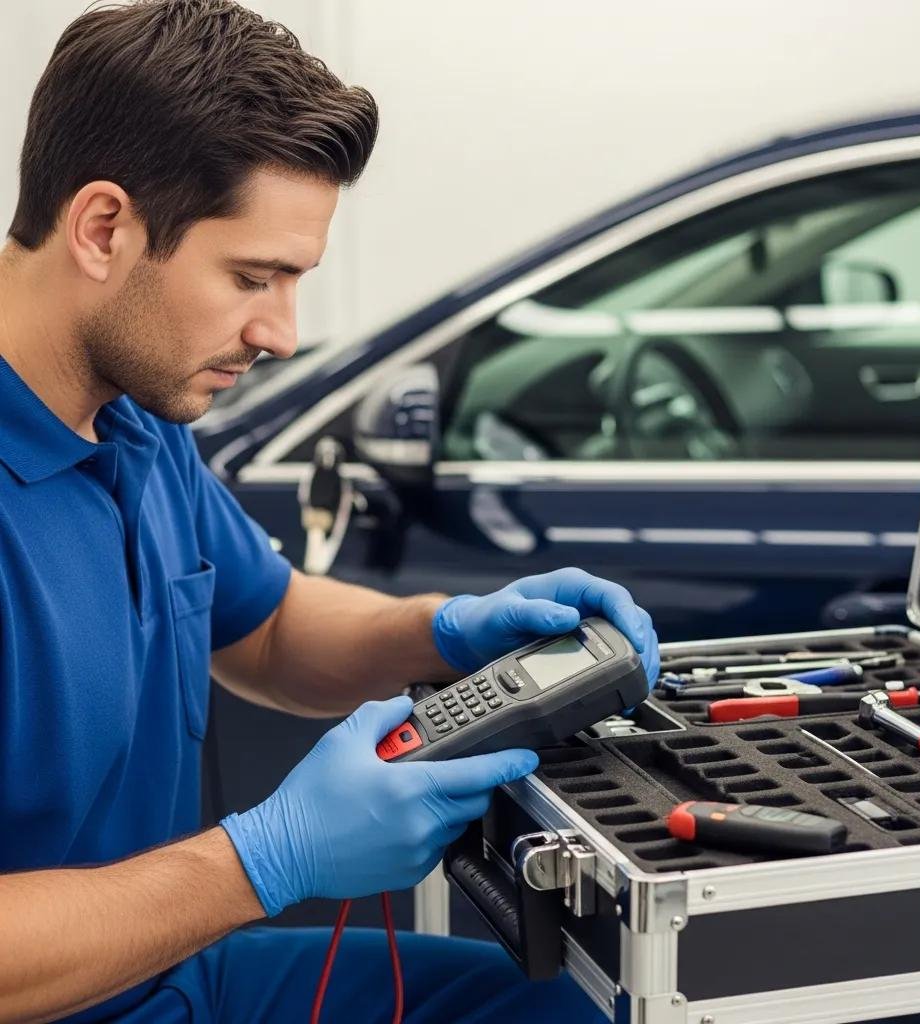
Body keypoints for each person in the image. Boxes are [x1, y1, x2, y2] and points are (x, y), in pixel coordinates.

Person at [0, 3, 661, 1022]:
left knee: (578, 1008)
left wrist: (441, 632)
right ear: (102, 229)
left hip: (175, 982)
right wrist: (264, 859)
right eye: (251, 278)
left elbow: (261, 627)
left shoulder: (132, 412)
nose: (279, 331)